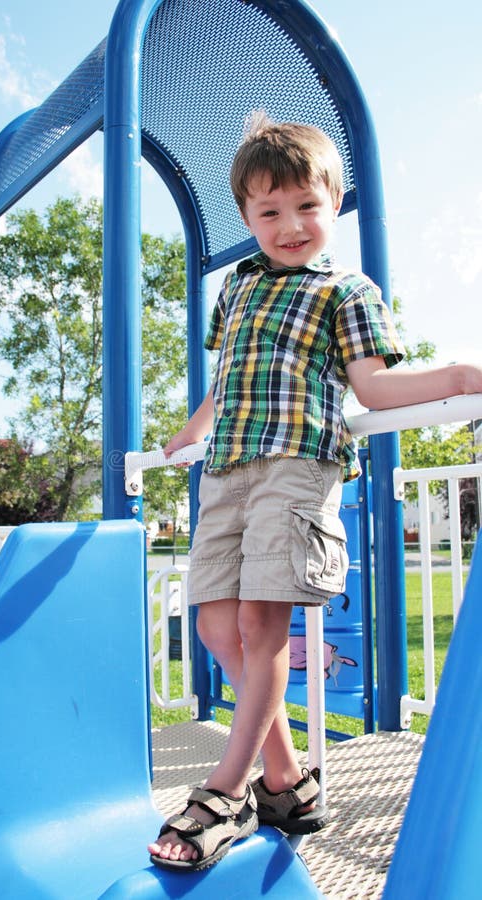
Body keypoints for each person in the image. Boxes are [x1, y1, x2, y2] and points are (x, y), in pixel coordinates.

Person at [148, 112, 482, 873]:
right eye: (269, 211)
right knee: (213, 629)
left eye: (307, 206)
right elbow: (228, 373)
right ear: (246, 218)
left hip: (298, 467)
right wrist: (188, 431)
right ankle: (289, 782)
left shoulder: (346, 290)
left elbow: (374, 384)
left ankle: (227, 792)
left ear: (333, 205)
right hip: (226, 467)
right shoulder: (235, 288)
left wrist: (459, 378)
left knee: (263, 627)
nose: (290, 224)